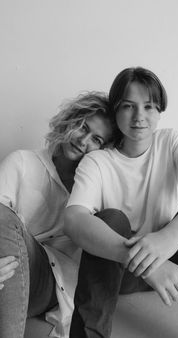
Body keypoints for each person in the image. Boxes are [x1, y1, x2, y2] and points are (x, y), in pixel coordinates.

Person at [65, 67, 178, 338]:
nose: (139, 117)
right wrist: (145, 262)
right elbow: (74, 220)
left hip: (170, 256)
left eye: (149, 106)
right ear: (116, 110)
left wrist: (171, 235)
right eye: (128, 107)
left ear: (159, 111)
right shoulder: (98, 161)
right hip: (119, 267)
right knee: (110, 219)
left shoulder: (170, 142)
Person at [0, 91, 115, 338]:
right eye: (82, 127)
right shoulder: (22, 162)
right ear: (69, 121)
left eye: (97, 140)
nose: (83, 140)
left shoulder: (94, 193)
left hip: (48, 284)